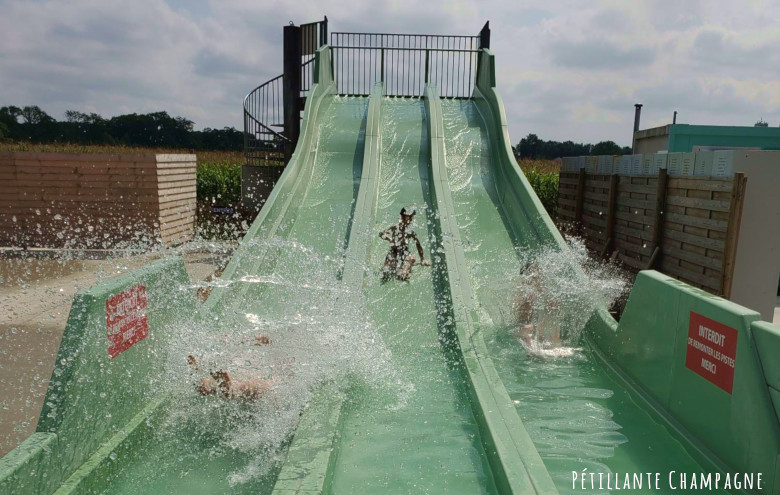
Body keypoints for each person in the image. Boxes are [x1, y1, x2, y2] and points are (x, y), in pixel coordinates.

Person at [187, 335, 274, 400]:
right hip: (250, 368)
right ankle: (224, 388)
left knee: (261, 385)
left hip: (245, 367)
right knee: (266, 384)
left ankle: (205, 384)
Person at [513, 262, 562, 349]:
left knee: (550, 332)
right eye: (534, 275)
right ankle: (533, 349)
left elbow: (554, 308)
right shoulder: (523, 291)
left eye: (539, 274)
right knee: (527, 329)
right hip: (523, 324)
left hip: (535, 325)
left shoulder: (543, 290)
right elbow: (521, 314)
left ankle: (551, 346)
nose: (538, 277)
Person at [379, 207, 431, 281]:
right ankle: (390, 268)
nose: (409, 220)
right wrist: (389, 239)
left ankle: (404, 271)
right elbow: (381, 234)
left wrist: (422, 259)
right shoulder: (395, 227)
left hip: (404, 252)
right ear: (402, 217)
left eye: (411, 218)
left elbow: (418, 244)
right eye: (408, 217)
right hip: (394, 251)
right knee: (385, 271)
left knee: (412, 259)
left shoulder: (410, 231)